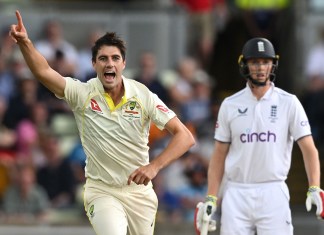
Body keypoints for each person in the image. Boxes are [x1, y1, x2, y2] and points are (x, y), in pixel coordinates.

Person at [9, 10, 195, 235]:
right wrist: (25, 43)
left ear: (124, 64)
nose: (110, 64)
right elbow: (44, 71)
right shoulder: (83, 93)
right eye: (103, 59)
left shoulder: (143, 95)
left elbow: (185, 136)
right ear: (94, 64)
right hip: (102, 191)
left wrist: (154, 166)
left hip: (139, 193)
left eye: (115, 58)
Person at [195, 37, 323, 235]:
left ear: (273, 64)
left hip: (273, 191)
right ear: (245, 65)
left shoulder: (289, 102)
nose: (260, 67)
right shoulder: (230, 104)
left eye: (265, 62)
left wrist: (314, 186)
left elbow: (309, 149)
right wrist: (211, 197)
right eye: (255, 62)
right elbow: (219, 155)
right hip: (236, 191)